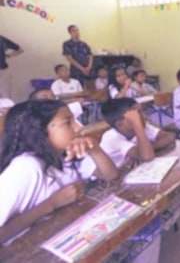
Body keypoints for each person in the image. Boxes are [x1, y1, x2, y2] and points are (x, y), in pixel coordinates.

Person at [0, 100, 118, 244]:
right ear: (39, 130)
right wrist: (51, 204)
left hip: (63, 236)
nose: (78, 127)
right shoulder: (26, 167)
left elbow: (111, 176)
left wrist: (95, 150)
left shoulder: (63, 153)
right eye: (68, 122)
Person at [98, 98, 175, 167]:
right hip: (104, 179)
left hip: (129, 170)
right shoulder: (112, 138)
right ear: (120, 124)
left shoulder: (143, 126)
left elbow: (169, 136)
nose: (145, 116)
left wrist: (150, 147)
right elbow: (147, 157)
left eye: (142, 112)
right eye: (137, 115)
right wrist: (137, 124)